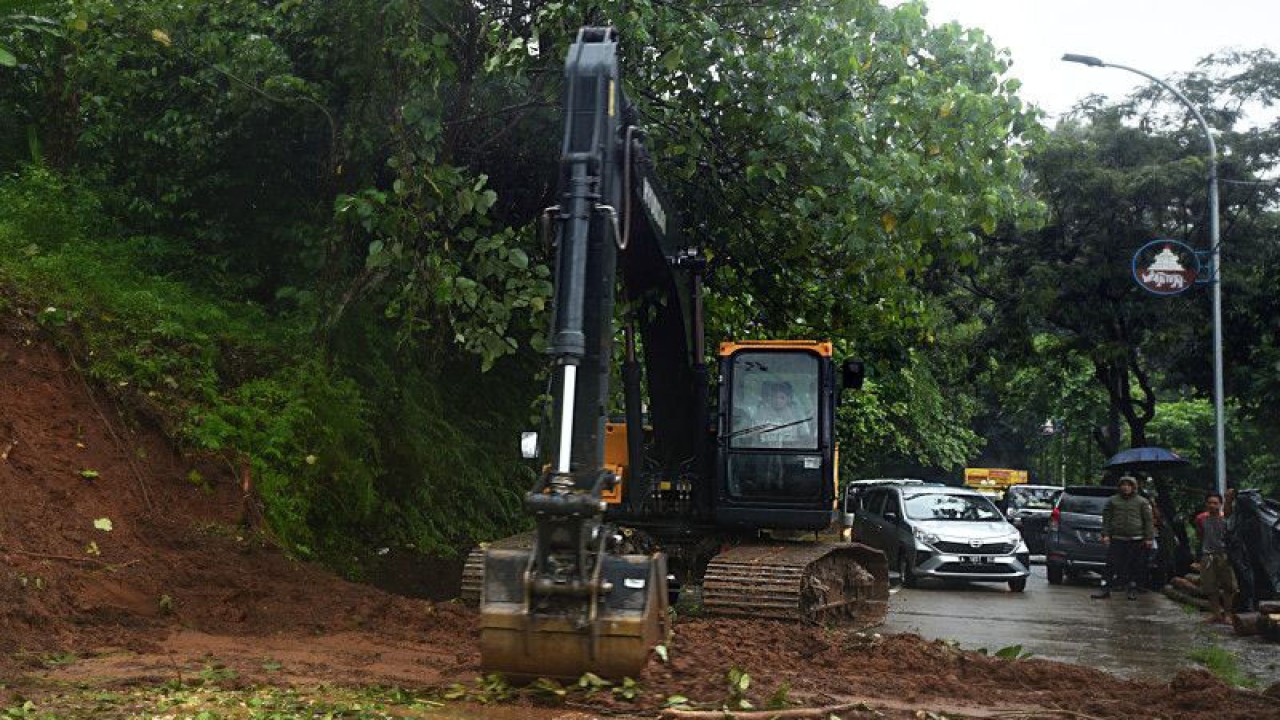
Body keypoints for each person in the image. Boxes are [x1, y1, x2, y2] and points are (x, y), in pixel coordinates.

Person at [1091, 475, 1154, 600]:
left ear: (1133, 487)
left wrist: (1149, 538)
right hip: (1117, 538)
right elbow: (1107, 519)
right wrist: (1106, 535)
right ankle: (1105, 588)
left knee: (1134, 566)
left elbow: (1148, 521)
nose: (1126, 488)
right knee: (1110, 564)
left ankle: (1131, 589)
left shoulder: (1141, 502)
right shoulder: (1113, 501)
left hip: (1136, 539)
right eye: (1123, 485)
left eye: (1129, 485)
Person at [1194, 490, 1238, 624]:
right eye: (1209, 503)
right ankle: (1216, 614)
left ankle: (1228, 613)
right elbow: (1200, 535)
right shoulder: (1201, 518)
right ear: (1206, 504)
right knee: (1210, 587)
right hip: (1208, 555)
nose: (1212, 505)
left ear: (1220, 504)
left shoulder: (1226, 518)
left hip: (1224, 555)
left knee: (1229, 586)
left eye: (1215, 503)